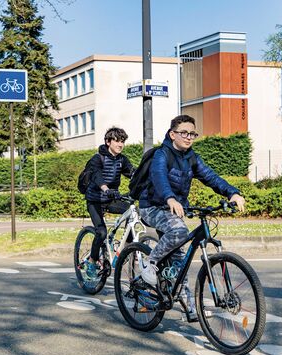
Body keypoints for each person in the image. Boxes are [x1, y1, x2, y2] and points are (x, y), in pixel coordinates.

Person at [138, 115, 245, 321]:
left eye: (192, 134)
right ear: (173, 134)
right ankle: (149, 262)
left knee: (179, 258)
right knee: (179, 231)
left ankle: (188, 305)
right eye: (184, 133)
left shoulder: (191, 157)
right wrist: (169, 197)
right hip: (152, 206)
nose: (189, 137)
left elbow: (210, 177)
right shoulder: (162, 154)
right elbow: (159, 177)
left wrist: (232, 193)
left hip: (174, 209)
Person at [82, 127, 135, 278]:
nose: (120, 144)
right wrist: (105, 189)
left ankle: (127, 248)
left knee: (132, 211)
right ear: (108, 142)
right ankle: (92, 261)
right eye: (117, 141)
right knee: (101, 232)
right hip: (95, 200)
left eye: (122, 141)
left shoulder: (122, 160)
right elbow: (97, 176)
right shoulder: (97, 158)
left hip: (111, 200)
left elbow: (132, 173)